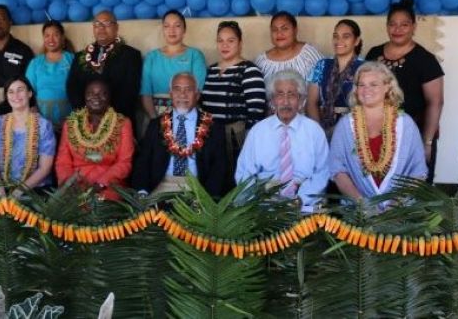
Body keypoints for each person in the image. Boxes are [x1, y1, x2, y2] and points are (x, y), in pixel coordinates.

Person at [365, 0, 444, 183]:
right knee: (377, 188)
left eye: (404, 25)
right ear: (386, 26)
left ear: (414, 26)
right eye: (392, 24)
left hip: (414, 135)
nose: (397, 30)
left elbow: (436, 102)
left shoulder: (425, 60)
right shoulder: (374, 54)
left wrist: (427, 142)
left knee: (411, 191)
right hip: (376, 135)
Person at [330, 62, 427, 208]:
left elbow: (418, 172)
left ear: (387, 87)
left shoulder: (405, 124)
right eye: (361, 85)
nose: (366, 90)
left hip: (400, 214)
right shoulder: (345, 125)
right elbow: (337, 170)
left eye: (373, 84)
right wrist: (363, 205)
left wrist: (394, 206)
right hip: (357, 214)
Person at [235, 70, 329, 213]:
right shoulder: (258, 131)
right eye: (280, 94)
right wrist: (257, 198)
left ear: (301, 100)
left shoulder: (314, 131)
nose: (285, 101)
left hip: (304, 203)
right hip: (264, 202)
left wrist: (301, 198)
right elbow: (244, 173)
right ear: (272, 100)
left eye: (291, 95)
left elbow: (323, 172)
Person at [132, 73, 227, 199]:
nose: (182, 95)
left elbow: (219, 167)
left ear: (197, 95)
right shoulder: (156, 125)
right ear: (171, 94)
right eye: (177, 89)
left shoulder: (214, 127)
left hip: (197, 188)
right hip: (162, 185)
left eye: (188, 89)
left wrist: (208, 199)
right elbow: (143, 161)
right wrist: (142, 191)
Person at [200, 21, 266, 187]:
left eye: (230, 40)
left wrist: (249, 146)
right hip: (210, 137)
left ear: (240, 43)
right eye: (220, 40)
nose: (225, 45)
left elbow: (256, 112)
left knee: (234, 183)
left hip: (236, 139)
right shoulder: (210, 70)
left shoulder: (249, 70)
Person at [55, 79, 135, 201]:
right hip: (76, 184)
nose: (96, 97)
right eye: (90, 93)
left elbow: (124, 162)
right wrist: (68, 183)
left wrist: (101, 183)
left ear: (109, 97)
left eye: (102, 93)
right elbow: (62, 161)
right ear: (85, 96)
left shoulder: (122, 123)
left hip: (109, 185)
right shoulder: (70, 123)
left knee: (104, 203)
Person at [66, 10, 142, 125]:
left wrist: (107, 119)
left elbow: (130, 92)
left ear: (116, 27)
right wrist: (88, 116)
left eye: (106, 23)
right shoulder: (80, 56)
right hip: (86, 122)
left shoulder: (131, 55)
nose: (101, 28)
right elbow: (72, 88)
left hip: (119, 122)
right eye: (97, 24)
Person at [0, 75, 56, 197]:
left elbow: (44, 168)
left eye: (20, 90)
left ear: (29, 93)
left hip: (35, 191)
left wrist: (18, 192)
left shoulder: (44, 125)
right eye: (11, 92)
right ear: (6, 96)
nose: (16, 96)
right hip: (2, 189)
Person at [140, 10, 207, 119]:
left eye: (177, 26)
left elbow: (198, 90)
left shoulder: (195, 55)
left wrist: (182, 118)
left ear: (184, 30)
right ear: (163, 30)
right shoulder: (151, 57)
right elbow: (145, 93)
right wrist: (154, 120)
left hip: (187, 114)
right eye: (167, 26)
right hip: (155, 114)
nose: (172, 30)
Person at [307, 19, 365, 138]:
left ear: (356, 41)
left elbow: (367, 106)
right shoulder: (322, 65)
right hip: (323, 129)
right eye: (336, 36)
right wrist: (320, 133)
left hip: (355, 132)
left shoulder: (365, 68)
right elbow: (311, 102)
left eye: (346, 36)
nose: (339, 40)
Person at [25, 20, 74, 132]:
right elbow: (28, 92)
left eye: (55, 35)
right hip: (42, 125)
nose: (51, 39)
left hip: (70, 124)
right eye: (47, 35)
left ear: (62, 37)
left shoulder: (72, 60)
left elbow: (80, 89)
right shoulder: (35, 63)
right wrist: (36, 117)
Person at [254, 11, 323, 82]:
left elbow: (324, 80)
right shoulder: (262, 61)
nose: (279, 33)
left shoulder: (309, 54)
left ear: (295, 30)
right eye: (274, 29)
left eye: (284, 28)